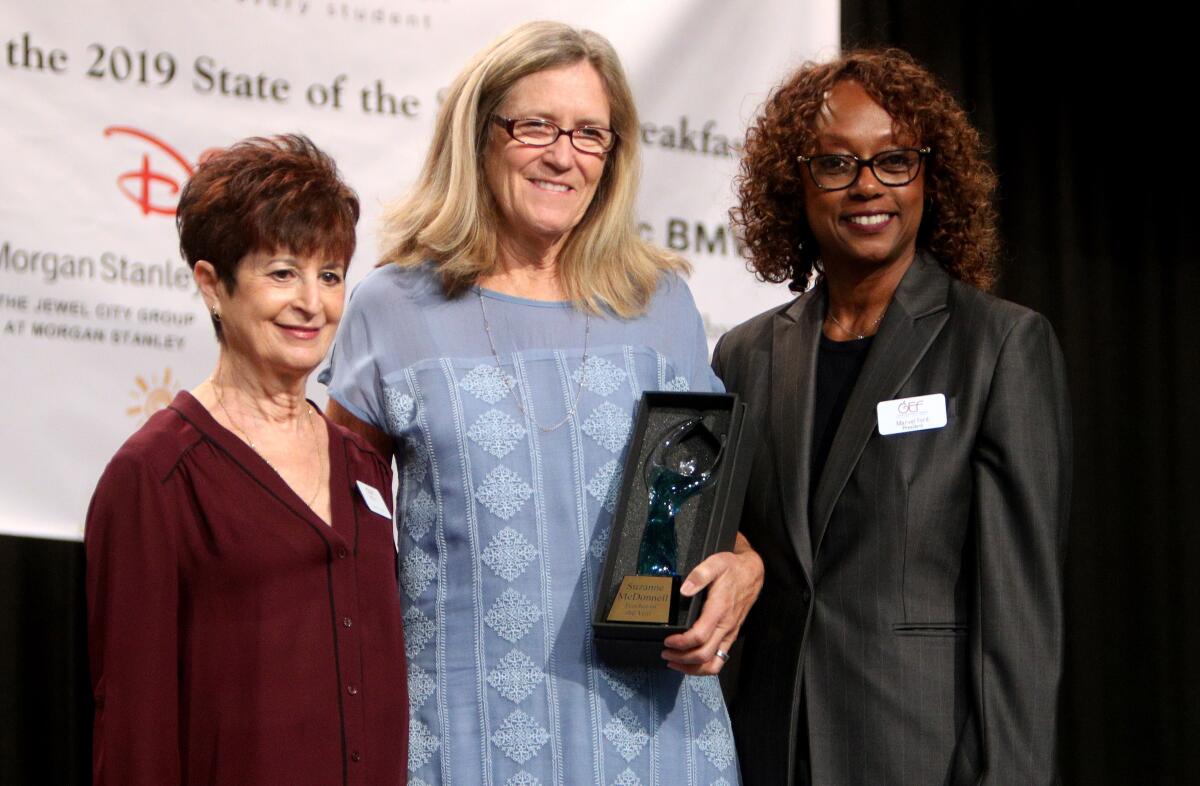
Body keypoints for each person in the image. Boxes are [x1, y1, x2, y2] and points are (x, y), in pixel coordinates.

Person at [322, 20, 762, 786]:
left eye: (591, 134)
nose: (564, 155)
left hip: (654, 742)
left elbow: (703, 517)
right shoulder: (392, 307)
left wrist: (744, 568)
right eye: (536, 126)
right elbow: (339, 551)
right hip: (461, 742)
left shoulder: (660, 306)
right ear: (479, 135)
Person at [713, 49, 1071, 786]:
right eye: (837, 164)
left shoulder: (1000, 346)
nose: (868, 186)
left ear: (929, 178)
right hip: (766, 749)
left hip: (922, 754)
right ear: (797, 184)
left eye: (894, 161)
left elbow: (1020, 618)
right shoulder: (745, 354)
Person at [85, 135, 408, 786]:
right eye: (282, 273)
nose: (312, 303)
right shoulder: (155, 475)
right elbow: (132, 736)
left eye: (330, 275)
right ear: (212, 284)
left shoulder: (364, 465)